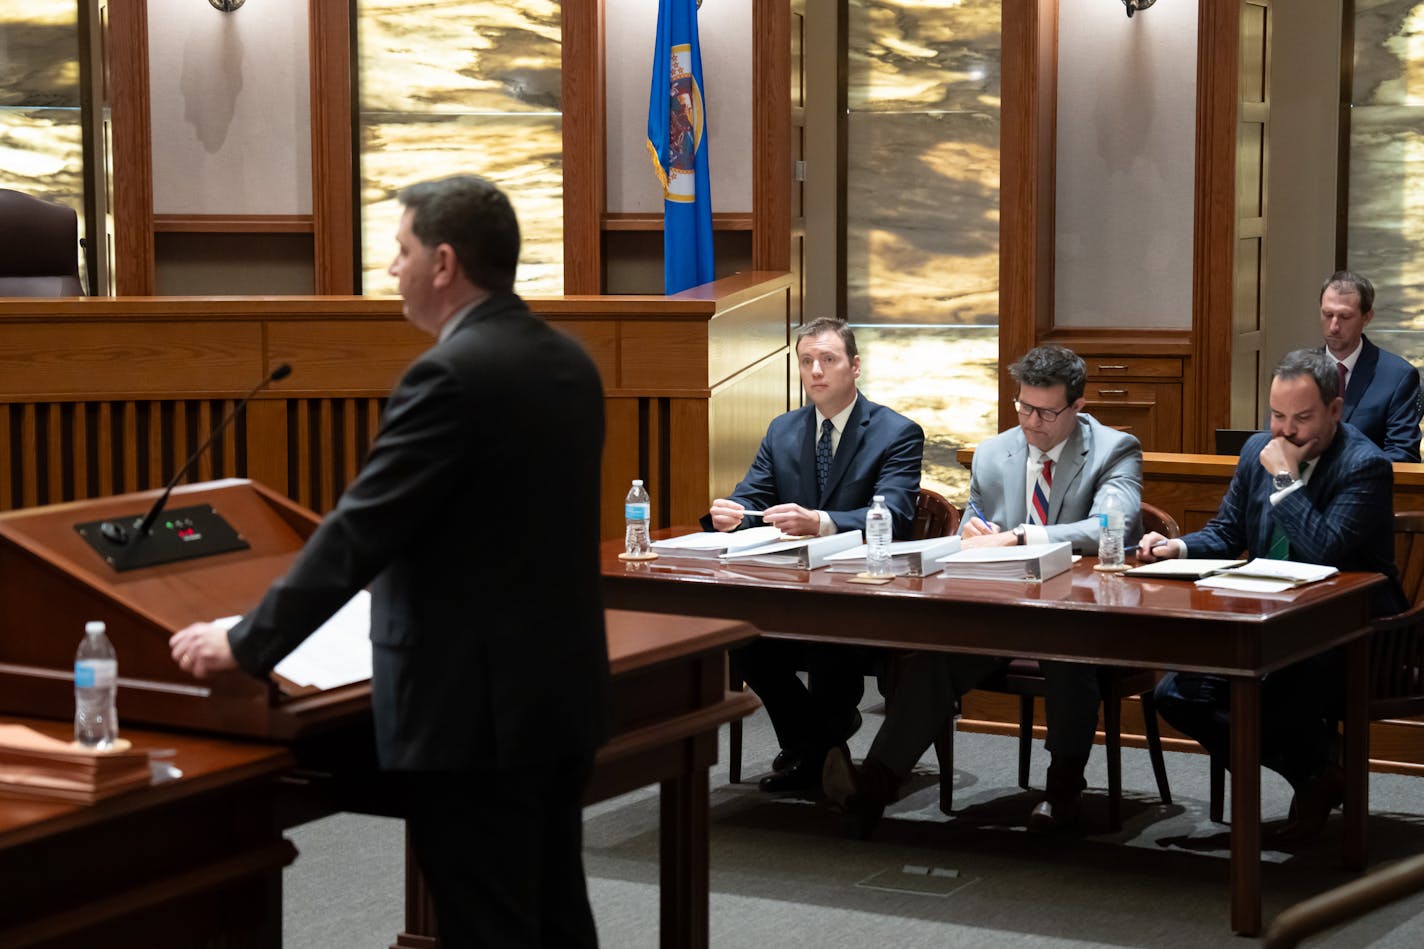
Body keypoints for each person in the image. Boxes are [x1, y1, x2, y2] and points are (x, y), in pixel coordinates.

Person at [168, 176, 609, 948]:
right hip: (556, 695)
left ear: (443, 263)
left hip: (470, 716)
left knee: (491, 926)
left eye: (399, 251)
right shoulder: (567, 362)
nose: (390, 270)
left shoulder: (449, 375)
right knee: (554, 918)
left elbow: (359, 533)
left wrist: (245, 644)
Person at [822, 345, 1142, 835]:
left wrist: (1020, 535)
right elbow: (975, 524)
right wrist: (971, 533)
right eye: (1023, 407)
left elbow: (1110, 524)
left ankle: (1063, 792)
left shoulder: (1114, 449)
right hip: (1002, 611)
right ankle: (877, 784)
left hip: (1079, 616)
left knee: (1067, 651)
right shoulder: (995, 453)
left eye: (1046, 412)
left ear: (1077, 407)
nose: (1032, 423)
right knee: (933, 657)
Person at [1139, 348, 1405, 843]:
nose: (1285, 432)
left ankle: (1316, 775)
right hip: (1266, 619)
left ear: (1335, 410)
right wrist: (1175, 545)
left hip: (1352, 635)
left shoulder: (1364, 465)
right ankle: (1317, 773)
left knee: (1267, 689)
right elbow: (1226, 532)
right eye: (1277, 416)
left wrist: (1284, 478)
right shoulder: (1256, 451)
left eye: (1302, 418)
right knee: (1175, 693)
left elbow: (1323, 551)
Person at [706, 317, 924, 793]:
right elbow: (753, 498)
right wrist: (734, 513)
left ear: (855, 366)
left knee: (829, 639)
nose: (816, 372)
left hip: (863, 591)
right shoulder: (783, 429)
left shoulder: (896, 432)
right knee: (744, 639)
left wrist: (822, 522)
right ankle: (822, 748)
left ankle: (813, 756)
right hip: (792, 586)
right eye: (807, 362)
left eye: (828, 359)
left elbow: (896, 514)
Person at [1317, 270, 1422, 462]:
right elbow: (1278, 439)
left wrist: (1339, 473)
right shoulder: (1298, 370)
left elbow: (1403, 455)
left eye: (1345, 317)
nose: (1333, 326)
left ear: (1367, 317)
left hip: (1366, 487)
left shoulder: (1398, 377)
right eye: (1327, 314)